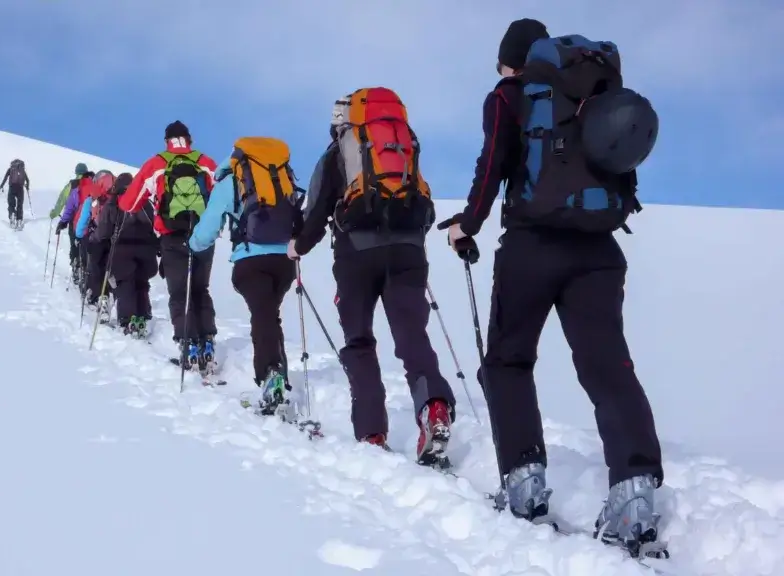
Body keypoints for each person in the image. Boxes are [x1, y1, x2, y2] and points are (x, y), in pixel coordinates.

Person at [439, 18, 663, 551]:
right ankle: (634, 495)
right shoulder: (591, 92)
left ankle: (524, 485)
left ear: (511, 59)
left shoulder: (509, 96)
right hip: (599, 251)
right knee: (608, 367)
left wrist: (466, 225)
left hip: (532, 249)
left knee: (508, 361)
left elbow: (491, 166)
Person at [288, 88, 457, 469]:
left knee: (359, 341)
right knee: (412, 336)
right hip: (409, 251)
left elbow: (317, 212)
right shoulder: (404, 144)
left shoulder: (339, 153)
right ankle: (434, 409)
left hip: (356, 256)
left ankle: (371, 433)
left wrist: (298, 246)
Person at [188, 137, 302, 413]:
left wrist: (193, 244)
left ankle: (270, 376)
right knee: (269, 314)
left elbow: (209, 227)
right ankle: (278, 378)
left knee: (262, 315)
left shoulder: (232, 180)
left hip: (250, 260)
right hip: (285, 261)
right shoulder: (281, 176)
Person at [118, 121, 220, 371]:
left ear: (167, 141)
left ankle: (188, 344)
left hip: (172, 236)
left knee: (179, 292)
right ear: (189, 139)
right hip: (203, 235)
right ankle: (207, 341)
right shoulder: (206, 163)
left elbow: (129, 204)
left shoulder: (156, 164)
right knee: (200, 289)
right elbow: (221, 197)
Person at [96, 172, 158, 338]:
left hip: (122, 250)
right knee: (141, 281)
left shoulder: (113, 203)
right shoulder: (144, 202)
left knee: (124, 283)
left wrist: (97, 242)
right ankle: (144, 313)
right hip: (146, 249)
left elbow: (104, 231)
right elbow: (154, 224)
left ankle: (127, 319)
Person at [76, 170, 115, 309]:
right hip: (113, 239)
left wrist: (79, 235)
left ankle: (98, 296)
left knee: (95, 267)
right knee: (109, 267)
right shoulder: (116, 199)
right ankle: (113, 296)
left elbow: (82, 224)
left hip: (96, 238)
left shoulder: (91, 199)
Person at [56, 163, 95, 286]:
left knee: (75, 246)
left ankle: (76, 265)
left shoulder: (73, 186)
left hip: (75, 222)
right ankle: (88, 271)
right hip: (93, 224)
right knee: (88, 249)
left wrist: (62, 221)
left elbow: (68, 206)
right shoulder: (95, 184)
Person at [0, 158, 30, 229]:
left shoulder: (11, 169)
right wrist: (27, 187)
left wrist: (1, 186)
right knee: (20, 205)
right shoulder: (22, 170)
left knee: (11, 203)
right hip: (20, 188)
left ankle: (12, 213)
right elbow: (27, 180)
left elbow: (5, 178)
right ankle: (19, 220)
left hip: (12, 187)